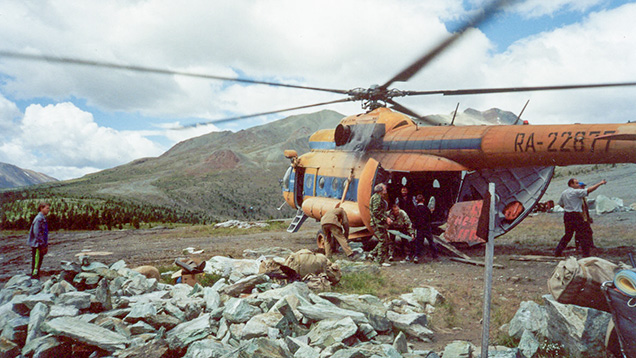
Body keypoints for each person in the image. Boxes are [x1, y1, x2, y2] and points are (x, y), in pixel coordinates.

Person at [554, 178, 606, 257]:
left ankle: (558, 251)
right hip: (576, 215)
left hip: (567, 215)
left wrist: (568, 207)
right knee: (583, 234)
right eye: (576, 183)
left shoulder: (564, 193)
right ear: (571, 184)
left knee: (568, 235)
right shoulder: (575, 192)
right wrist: (600, 183)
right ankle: (586, 254)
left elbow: (560, 203)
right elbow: (589, 190)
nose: (578, 185)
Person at [369, 183, 393, 265]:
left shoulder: (379, 198)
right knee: (383, 241)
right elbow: (376, 212)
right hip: (377, 223)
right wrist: (385, 218)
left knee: (385, 240)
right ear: (380, 191)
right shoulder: (377, 198)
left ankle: (372, 254)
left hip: (380, 223)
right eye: (384, 189)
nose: (386, 190)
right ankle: (379, 261)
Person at [27, 202, 50, 279]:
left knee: (39, 261)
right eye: (47, 208)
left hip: (40, 244)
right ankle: (34, 277)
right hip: (37, 245)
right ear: (41, 208)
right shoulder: (39, 219)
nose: (48, 210)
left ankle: (36, 276)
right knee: (36, 262)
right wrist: (42, 244)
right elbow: (36, 232)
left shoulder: (42, 218)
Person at [412, 193, 437, 262]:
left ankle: (417, 256)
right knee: (431, 241)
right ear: (423, 200)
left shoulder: (415, 209)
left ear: (416, 200)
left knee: (419, 243)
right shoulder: (426, 209)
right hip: (426, 228)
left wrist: (414, 228)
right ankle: (435, 255)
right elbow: (430, 218)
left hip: (419, 229)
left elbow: (414, 219)